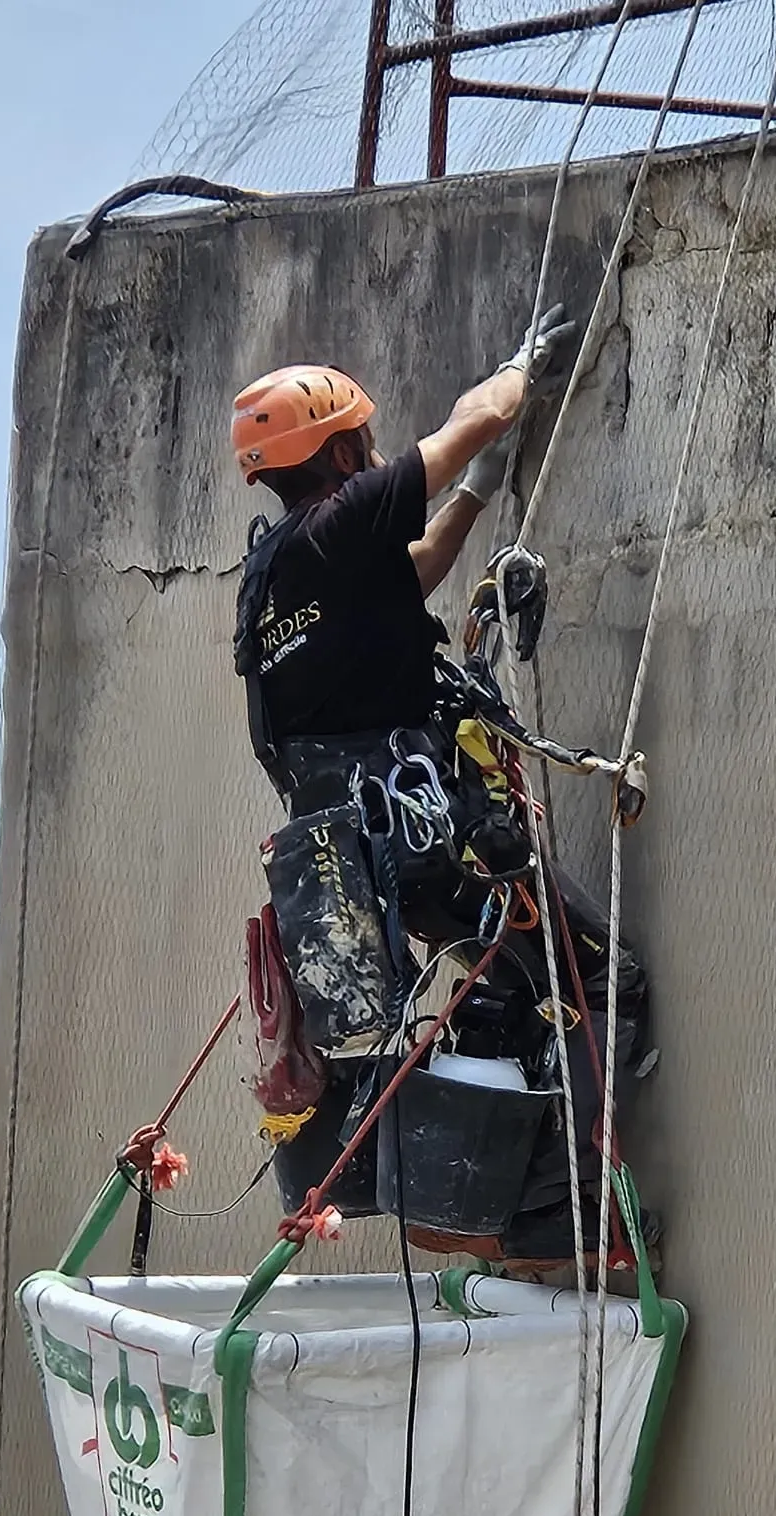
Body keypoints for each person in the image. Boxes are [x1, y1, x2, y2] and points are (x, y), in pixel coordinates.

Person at [231, 314, 651, 1269]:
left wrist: (469, 501)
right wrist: (516, 370)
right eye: (362, 439)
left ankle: (491, 1195)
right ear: (340, 451)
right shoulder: (351, 513)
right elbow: (482, 414)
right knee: (604, 981)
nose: (376, 447)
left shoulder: (276, 577)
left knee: (511, 990)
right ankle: (568, 1208)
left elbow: (404, 585)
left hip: (380, 870)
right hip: (442, 840)